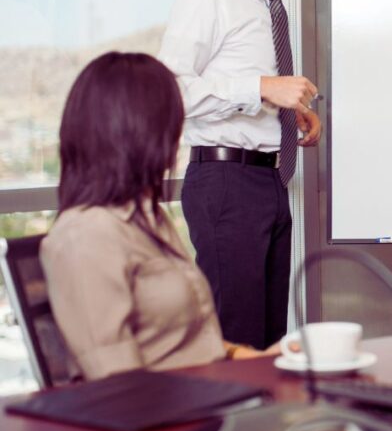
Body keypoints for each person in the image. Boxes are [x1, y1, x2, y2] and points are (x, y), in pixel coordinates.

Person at [158, 0, 320, 350]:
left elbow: (248, 87)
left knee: (269, 344)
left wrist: (287, 113)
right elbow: (168, 91)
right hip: (226, 186)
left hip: (267, 182)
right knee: (236, 342)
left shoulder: (267, 0)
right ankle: (228, 429)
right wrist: (263, 88)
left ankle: (265, 429)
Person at [40, 53, 274, 381]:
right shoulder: (85, 236)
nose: (175, 142)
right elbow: (120, 386)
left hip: (206, 396)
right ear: (135, 134)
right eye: (170, 126)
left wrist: (250, 359)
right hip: (173, 416)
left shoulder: (148, 218)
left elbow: (179, 342)